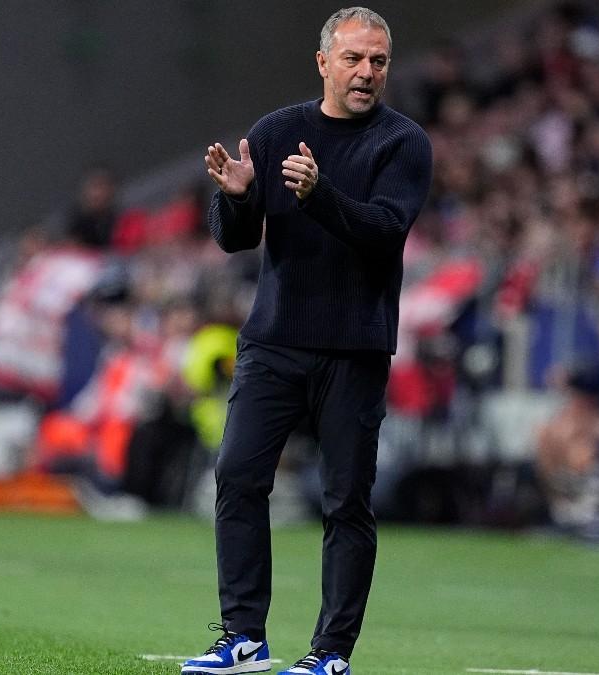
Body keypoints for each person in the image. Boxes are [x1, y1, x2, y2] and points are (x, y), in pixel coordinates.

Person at [184, 7, 431, 675]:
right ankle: (243, 635)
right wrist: (237, 198)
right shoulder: (275, 133)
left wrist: (319, 194)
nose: (367, 72)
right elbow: (235, 237)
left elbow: (383, 230)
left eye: (378, 60)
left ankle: (330, 651)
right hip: (275, 340)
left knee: (345, 497)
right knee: (237, 474)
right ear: (323, 62)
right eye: (353, 58)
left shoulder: (402, 144)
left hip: (355, 346)